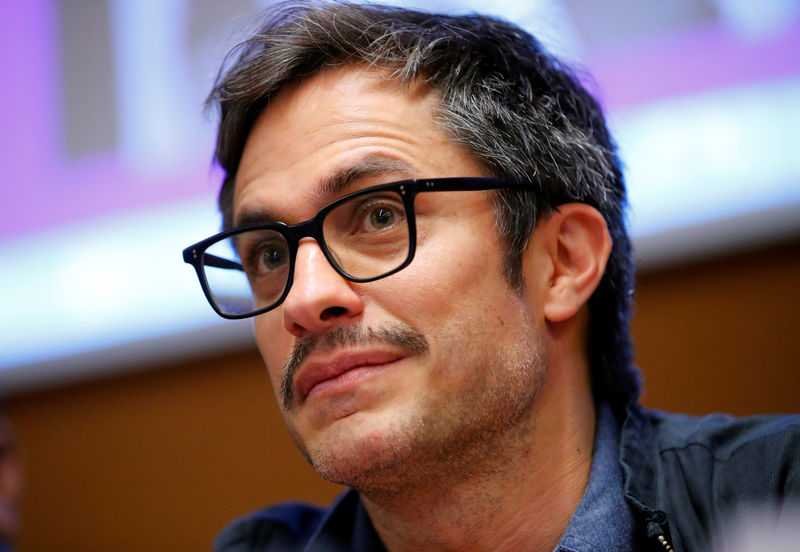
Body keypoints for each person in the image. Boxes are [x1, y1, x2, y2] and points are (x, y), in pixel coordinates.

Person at [182, 2, 800, 551]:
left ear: (561, 263)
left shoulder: (776, 499)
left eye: (379, 215)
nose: (306, 298)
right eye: (269, 256)